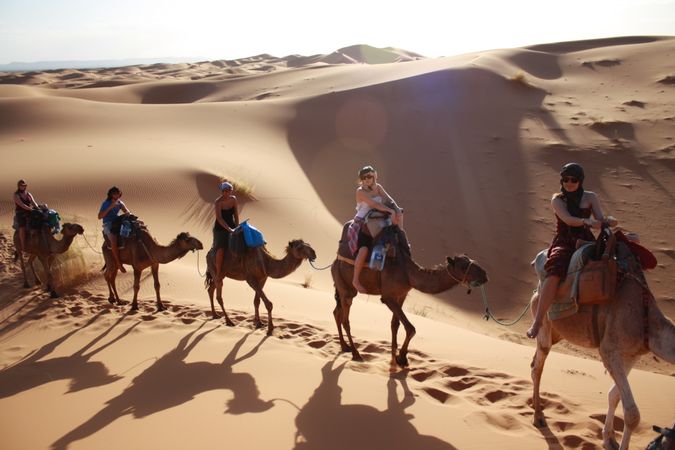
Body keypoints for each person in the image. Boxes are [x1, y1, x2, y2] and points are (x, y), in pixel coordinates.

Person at [526, 162, 618, 338]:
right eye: (566, 179)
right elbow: (568, 220)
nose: (569, 183)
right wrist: (587, 222)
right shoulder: (558, 199)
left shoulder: (590, 197)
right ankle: (537, 322)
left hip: (586, 240)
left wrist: (608, 221)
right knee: (554, 272)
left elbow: (600, 219)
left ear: (580, 181)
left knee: (615, 259)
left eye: (573, 180)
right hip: (565, 241)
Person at [350, 165, 403, 293]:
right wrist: (390, 210)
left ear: (374, 176)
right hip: (362, 222)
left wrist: (396, 210)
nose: (367, 179)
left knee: (398, 217)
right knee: (363, 250)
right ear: (361, 179)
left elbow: (389, 200)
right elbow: (374, 204)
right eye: (364, 177)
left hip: (378, 217)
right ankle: (355, 280)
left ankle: (401, 239)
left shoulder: (378, 187)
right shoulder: (360, 191)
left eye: (369, 176)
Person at [98, 186, 130, 273]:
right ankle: (118, 263)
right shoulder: (106, 203)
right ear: (111, 194)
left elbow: (127, 211)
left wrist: (128, 214)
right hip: (108, 223)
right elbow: (99, 216)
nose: (117, 195)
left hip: (117, 221)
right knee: (113, 241)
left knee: (135, 226)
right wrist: (110, 207)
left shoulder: (120, 203)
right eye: (115, 193)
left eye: (118, 193)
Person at [213, 181, 239, 279]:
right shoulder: (218, 202)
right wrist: (229, 229)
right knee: (221, 249)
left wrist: (236, 227)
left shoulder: (233, 199)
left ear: (231, 191)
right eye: (224, 191)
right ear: (221, 191)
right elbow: (219, 218)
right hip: (220, 229)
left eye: (228, 191)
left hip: (232, 226)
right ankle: (218, 273)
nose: (226, 193)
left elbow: (236, 215)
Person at [13, 179, 39, 252]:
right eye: (22, 185)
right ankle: (23, 245)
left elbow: (33, 202)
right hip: (20, 213)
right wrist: (31, 209)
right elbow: (22, 205)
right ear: (19, 186)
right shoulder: (16, 195)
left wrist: (38, 208)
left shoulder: (28, 194)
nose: (23, 187)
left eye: (24, 185)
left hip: (30, 212)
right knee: (22, 228)